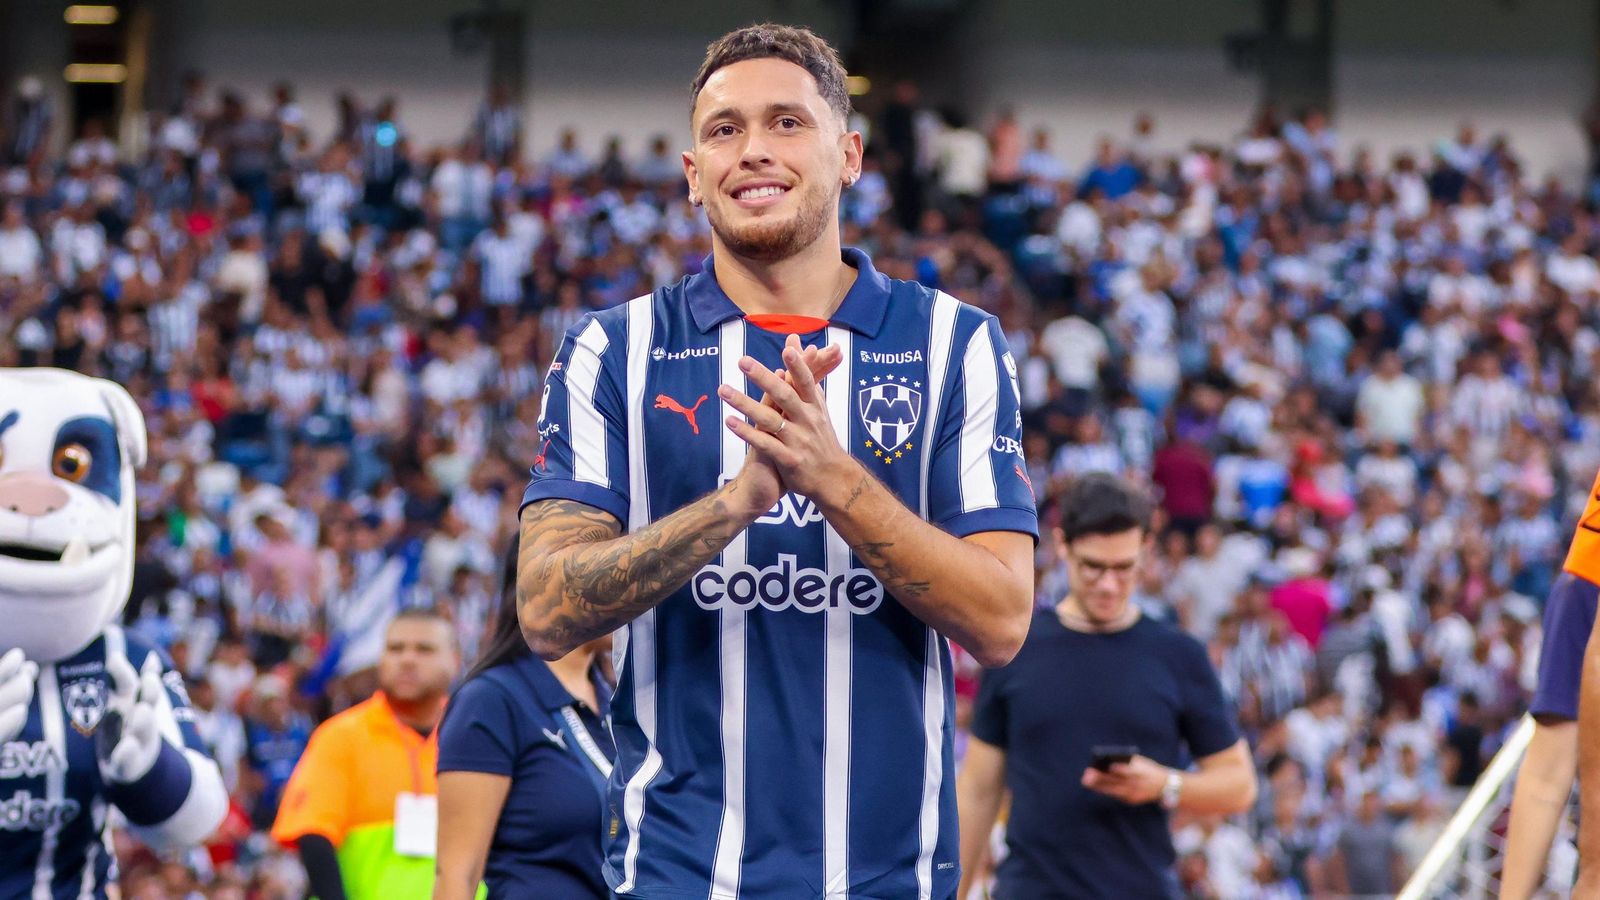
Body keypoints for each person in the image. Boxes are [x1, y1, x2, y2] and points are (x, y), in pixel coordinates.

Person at [516, 23, 1036, 899]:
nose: (753, 150)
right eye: (724, 130)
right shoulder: (613, 350)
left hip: (887, 879)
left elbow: (1002, 621)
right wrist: (734, 504)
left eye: (787, 123)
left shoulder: (955, 344)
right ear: (692, 177)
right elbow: (544, 609)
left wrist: (834, 482)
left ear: (850, 155)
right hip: (675, 874)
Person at [956, 474, 1256, 899]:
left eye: (1123, 568)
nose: (1109, 584)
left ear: (1147, 552)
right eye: (1093, 567)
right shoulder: (1015, 646)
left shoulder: (1178, 655)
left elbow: (1239, 785)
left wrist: (1165, 785)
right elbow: (979, 789)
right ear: (1063, 546)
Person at [435, 537, 615, 899]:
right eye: (619, 569)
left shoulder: (617, 704)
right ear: (560, 583)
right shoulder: (490, 700)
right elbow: (457, 874)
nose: (638, 587)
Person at [270, 607, 461, 900]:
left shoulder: (474, 738)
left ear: (455, 660)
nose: (407, 659)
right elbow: (313, 835)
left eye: (424, 649)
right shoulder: (341, 735)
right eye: (395, 648)